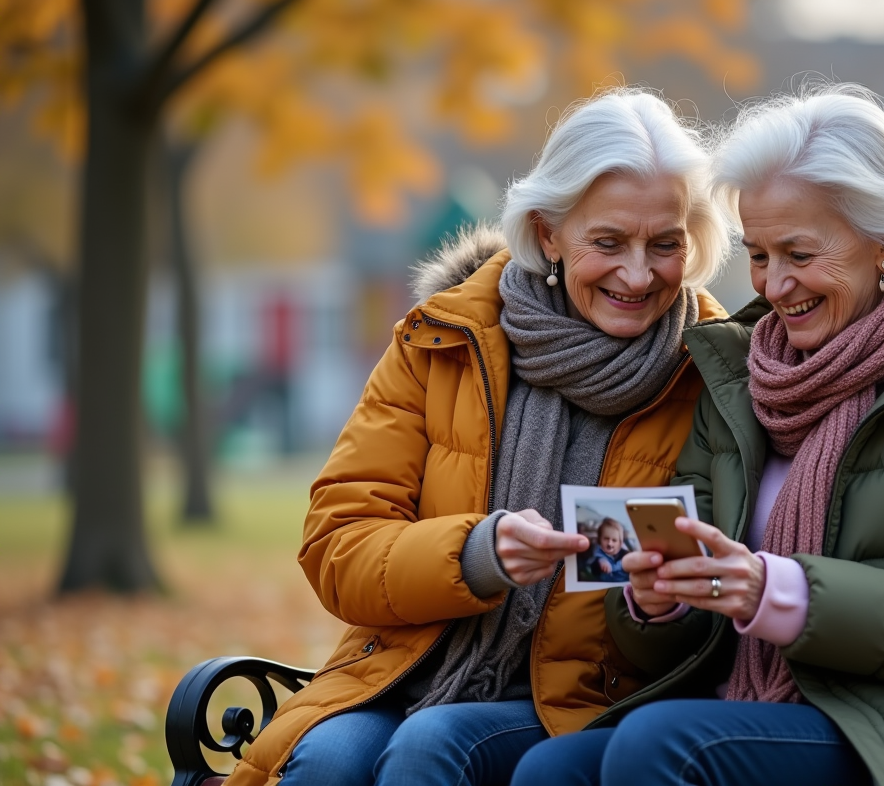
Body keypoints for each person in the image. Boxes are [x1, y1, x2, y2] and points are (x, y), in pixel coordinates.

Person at [512, 82, 884, 786]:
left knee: (663, 743)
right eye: (760, 254)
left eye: (799, 254)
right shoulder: (743, 372)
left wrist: (773, 589)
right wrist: (659, 604)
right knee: (550, 770)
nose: (773, 286)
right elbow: (672, 646)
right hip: (759, 706)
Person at [223, 88, 730, 786]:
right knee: (327, 765)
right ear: (548, 233)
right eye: (608, 242)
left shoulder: (712, 376)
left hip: (586, 705)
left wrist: (658, 601)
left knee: (433, 745)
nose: (639, 274)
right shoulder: (441, 339)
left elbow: (712, 615)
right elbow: (336, 543)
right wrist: (473, 552)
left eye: (665, 244)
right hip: (401, 670)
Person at [583, 518, 630, 582]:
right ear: (600, 539)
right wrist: (600, 562)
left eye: (614, 540)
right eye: (606, 539)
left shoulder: (626, 555)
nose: (609, 543)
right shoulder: (598, 553)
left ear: (620, 543)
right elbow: (593, 568)